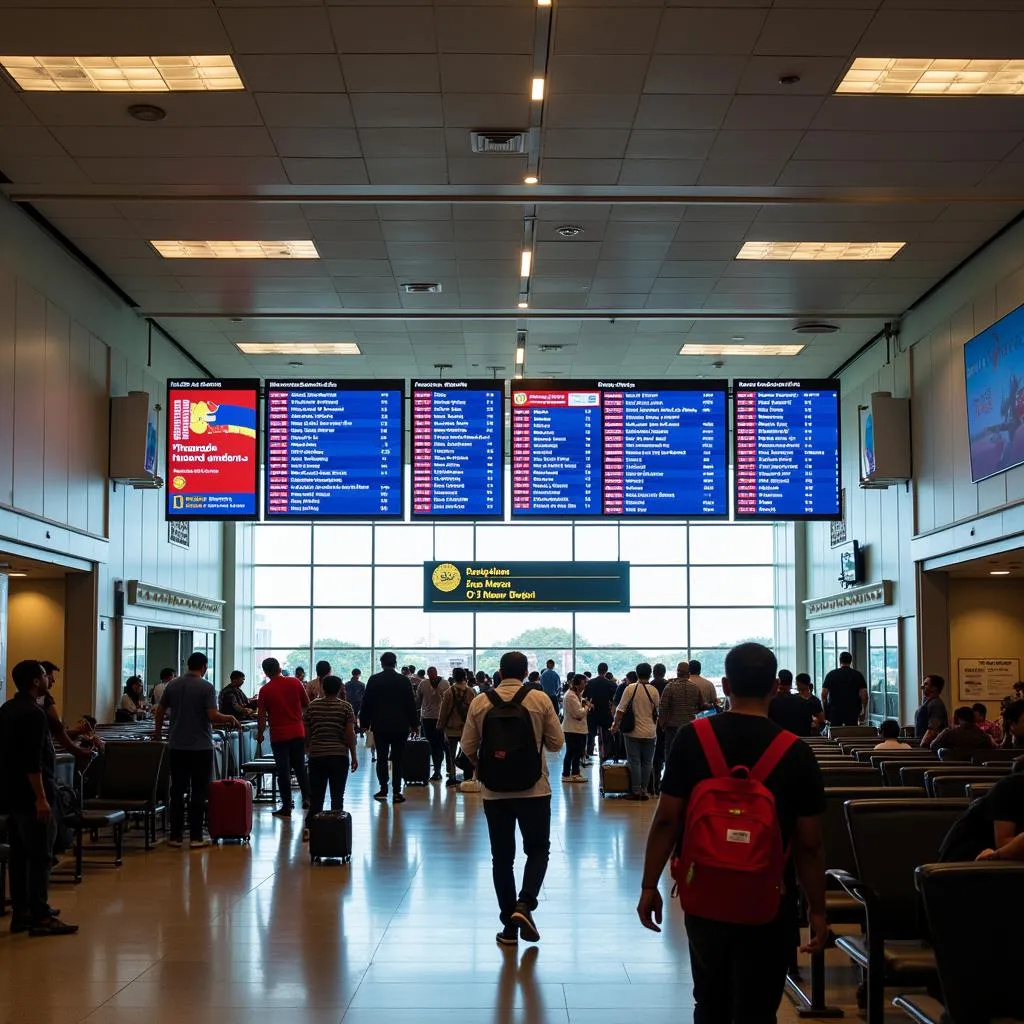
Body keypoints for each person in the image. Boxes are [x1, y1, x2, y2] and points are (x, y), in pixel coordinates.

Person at [637, 642, 827, 1023]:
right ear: (775, 687)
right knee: (758, 1008)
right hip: (770, 898)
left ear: (725, 685)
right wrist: (818, 910)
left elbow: (666, 820)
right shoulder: (797, 752)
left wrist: (648, 885)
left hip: (706, 892)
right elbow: (808, 844)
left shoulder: (693, 738)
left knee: (710, 1001)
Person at [460, 650, 564, 947]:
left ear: (500, 671)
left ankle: (509, 928)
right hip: (534, 789)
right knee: (538, 850)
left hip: (494, 791)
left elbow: (467, 747)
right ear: (524, 671)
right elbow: (557, 743)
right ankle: (525, 904)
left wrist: (485, 765)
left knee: (502, 858)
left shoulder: (481, 701)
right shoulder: (540, 699)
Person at [0, 660, 78, 936]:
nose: (49, 679)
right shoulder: (35, 714)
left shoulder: (7, 709)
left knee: (20, 856)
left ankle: (22, 913)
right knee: (41, 855)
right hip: (34, 794)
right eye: (45, 675)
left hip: (11, 794)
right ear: (35, 681)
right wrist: (42, 799)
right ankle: (41, 916)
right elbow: (33, 760)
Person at [154, 651, 240, 849]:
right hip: (200, 746)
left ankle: (175, 836)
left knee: (177, 790)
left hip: (176, 745)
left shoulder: (173, 685)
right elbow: (211, 715)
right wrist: (229, 718)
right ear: (204, 667)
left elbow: (160, 710)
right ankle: (195, 837)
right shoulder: (207, 687)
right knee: (199, 790)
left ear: (188, 666)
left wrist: (158, 734)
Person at [301, 674, 358, 839]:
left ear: (323, 689)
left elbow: (307, 732)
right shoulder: (346, 707)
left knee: (316, 796)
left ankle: (309, 830)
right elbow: (349, 734)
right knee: (337, 795)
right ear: (340, 688)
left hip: (317, 755)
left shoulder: (312, 707)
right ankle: (336, 831)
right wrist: (353, 755)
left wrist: (308, 748)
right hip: (339, 756)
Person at [360, 651, 418, 805]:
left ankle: (383, 788)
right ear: (395, 663)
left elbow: (366, 703)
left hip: (380, 725)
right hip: (400, 726)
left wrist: (364, 723)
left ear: (382, 663)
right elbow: (410, 704)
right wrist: (414, 724)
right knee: (398, 759)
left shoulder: (374, 680)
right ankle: (397, 791)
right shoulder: (404, 681)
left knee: (382, 758)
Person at [256, 657, 310, 819]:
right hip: (297, 732)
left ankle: (286, 806)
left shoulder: (265, 690)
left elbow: (261, 717)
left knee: (283, 771)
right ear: (280, 668)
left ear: (266, 672)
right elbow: (307, 704)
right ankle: (308, 798)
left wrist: (259, 734)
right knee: (300, 767)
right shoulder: (295, 683)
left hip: (279, 735)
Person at [940, 760, 1024, 861]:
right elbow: (1003, 843)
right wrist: (995, 855)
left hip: (1002, 859)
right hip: (971, 857)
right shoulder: (1010, 787)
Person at [612, 663, 661, 800]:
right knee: (647, 762)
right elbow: (658, 712)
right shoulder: (654, 691)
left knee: (635, 761)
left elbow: (620, 710)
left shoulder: (630, 689)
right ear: (650, 673)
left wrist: (615, 725)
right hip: (650, 732)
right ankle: (644, 790)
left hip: (632, 732)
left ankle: (636, 791)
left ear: (637, 673)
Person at [438, 667, 476, 787]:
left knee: (450, 753)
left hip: (451, 728)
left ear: (454, 677)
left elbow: (444, 711)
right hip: (466, 728)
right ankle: (468, 773)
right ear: (465, 677)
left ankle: (452, 775)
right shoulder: (471, 692)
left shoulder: (449, 692)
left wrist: (440, 725)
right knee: (467, 751)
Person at [658, 663, 704, 762]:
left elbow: (662, 707)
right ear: (688, 673)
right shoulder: (695, 687)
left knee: (670, 753)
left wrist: (662, 724)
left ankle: (671, 775)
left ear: (677, 672)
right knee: (688, 754)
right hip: (690, 725)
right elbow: (701, 706)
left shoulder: (670, 687)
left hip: (672, 726)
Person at [416, 666, 450, 782]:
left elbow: (418, 700)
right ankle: (439, 769)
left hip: (436, 718)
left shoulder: (443, 684)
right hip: (429, 718)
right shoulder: (424, 684)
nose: (432, 676)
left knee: (438, 744)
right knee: (436, 744)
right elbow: (418, 700)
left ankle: (438, 770)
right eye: (430, 674)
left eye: (432, 673)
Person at [821, 652, 868, 727]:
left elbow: (823, 695)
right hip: (852, 710)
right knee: (851, 735)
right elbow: (864, 695)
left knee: (835, 734)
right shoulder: (857, 675)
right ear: (851, 661)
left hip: (835, 711)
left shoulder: (831, 674)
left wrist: (825, 711)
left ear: (839, 661)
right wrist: (864, 711)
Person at [930, 705, 995, 757]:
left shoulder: (949, 734)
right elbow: (990, 752)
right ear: (973, 719)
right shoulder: (984, 737)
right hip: (978, 771)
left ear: (959, 719)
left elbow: (933, 746)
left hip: (952, 771)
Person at [767, 670, 816, 737]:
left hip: (775, 741)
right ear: (791, 684)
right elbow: (808, 727)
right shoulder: (804, 703)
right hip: (798, 742)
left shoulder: (769, 703)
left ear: (778, 682)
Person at [584, 664, 616, 762]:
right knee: (607, 733)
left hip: (592, 712)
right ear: (606, 671)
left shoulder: (590, 683)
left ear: (597, 670)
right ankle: (605, 753)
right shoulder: (611, 684)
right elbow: (614, 700)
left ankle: (589, 753)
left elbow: (585, 698)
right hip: (605, 712)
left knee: (591, 733)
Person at [561, 674, 589, 783]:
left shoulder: (575, 694)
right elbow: (578, 714)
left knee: (576, 752)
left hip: (576, 729)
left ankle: (575, 773)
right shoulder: (570, 696)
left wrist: (584, 703)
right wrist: (586, 707)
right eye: (584, 683)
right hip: (573, 729)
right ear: (578, 684)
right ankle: (567, 774)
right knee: (572, 752)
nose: (585, 685)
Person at [915, 674, 950, 746]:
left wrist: (922, 745)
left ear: (934, 688)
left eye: (926, 684)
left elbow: (933, 728)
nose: (922, 686)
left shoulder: (935, 704)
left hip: (929, 747)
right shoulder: (928, 702)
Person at [345, 669, 365, 734]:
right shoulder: (362, 684)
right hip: (359, 703)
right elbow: (364, 695)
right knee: (359, 716)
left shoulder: (347, 684)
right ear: (359, 674)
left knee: (350, 716)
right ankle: (360, 731)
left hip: (349, 702)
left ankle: (352, 729)